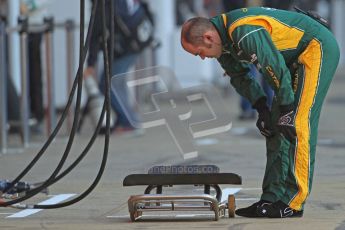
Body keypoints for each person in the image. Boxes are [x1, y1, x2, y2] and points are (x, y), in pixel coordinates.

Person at [180, 7, 339, 218]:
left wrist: (286, 109)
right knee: (275, 127)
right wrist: (263, 109)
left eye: (199, 52)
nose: (201, 58)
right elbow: (240, 77)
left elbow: (272, 67)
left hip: (316, 47)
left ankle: (293, 202)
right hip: (290, 61)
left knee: (298, 123)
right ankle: (271, 198)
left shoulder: (243, 30)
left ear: (208, 37)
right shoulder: (222, 44)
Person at [84, 0, 144, 132]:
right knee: (117, 84)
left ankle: (128, 122)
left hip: (124, 49)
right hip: (132, 45)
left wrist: (90, 65)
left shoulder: (100, 7)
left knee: (107, 84)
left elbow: (94, 36)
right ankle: (126, 120)